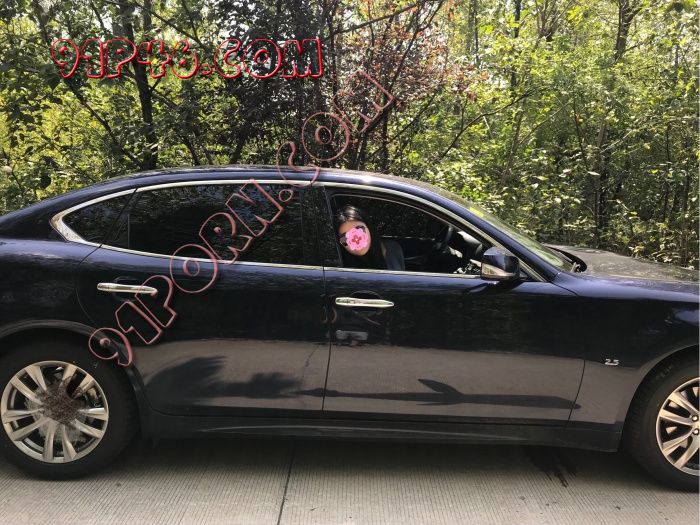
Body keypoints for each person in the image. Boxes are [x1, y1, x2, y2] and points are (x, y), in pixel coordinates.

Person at [334, 204, 406, 271]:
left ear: (369, 227)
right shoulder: (339, 270)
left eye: (359, 229)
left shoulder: (393, 248)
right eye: (345, 238)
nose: (355, 239)